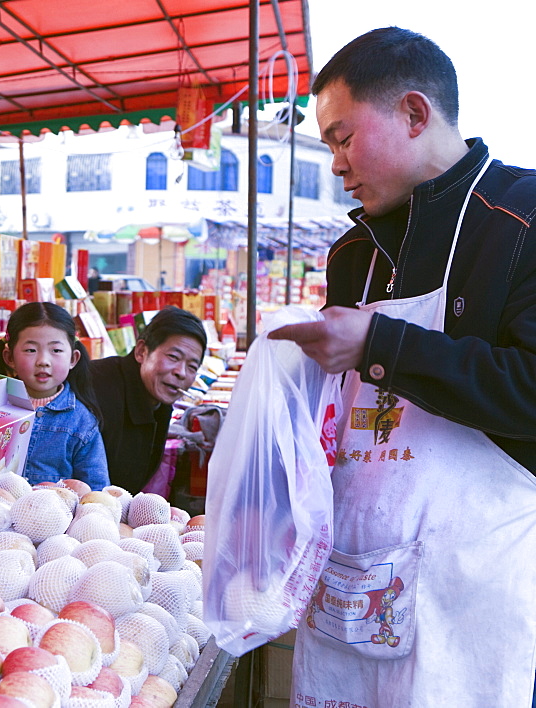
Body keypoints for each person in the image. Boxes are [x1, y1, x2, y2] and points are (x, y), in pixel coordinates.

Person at [268, 27, 536, 707]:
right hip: (353, 581)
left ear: (414, 113)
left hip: (472, 593)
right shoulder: (351, 254)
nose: (335, 164)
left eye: (341, 137)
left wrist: (381, 346)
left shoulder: (521, 220)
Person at [0, 302, 109, 490]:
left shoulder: (81, 422)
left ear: (73, 359)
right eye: (31, 350)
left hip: (53, 517)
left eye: (56, 350)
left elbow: (96, 491)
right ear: (9, 357)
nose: (43, 361)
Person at [89, 306, 205, 494]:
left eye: (192, 366)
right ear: (142, 351)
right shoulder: (97, 388)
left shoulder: (158, 398)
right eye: (173, 357)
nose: (181, 372)